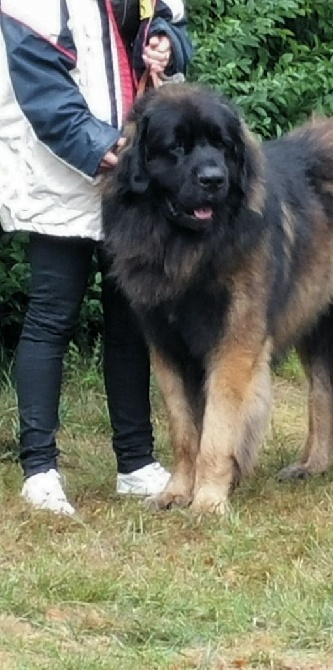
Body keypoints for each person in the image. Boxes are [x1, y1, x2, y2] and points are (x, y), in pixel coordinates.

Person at [0, 0, 194, 516]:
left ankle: (134, 463)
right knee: (51, 316)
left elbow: (172, 27)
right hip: (64, 173)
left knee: (130, 320)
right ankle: (39, 470)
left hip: (131, 179)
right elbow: (42, 90)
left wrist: (169, 47)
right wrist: (104, 147)